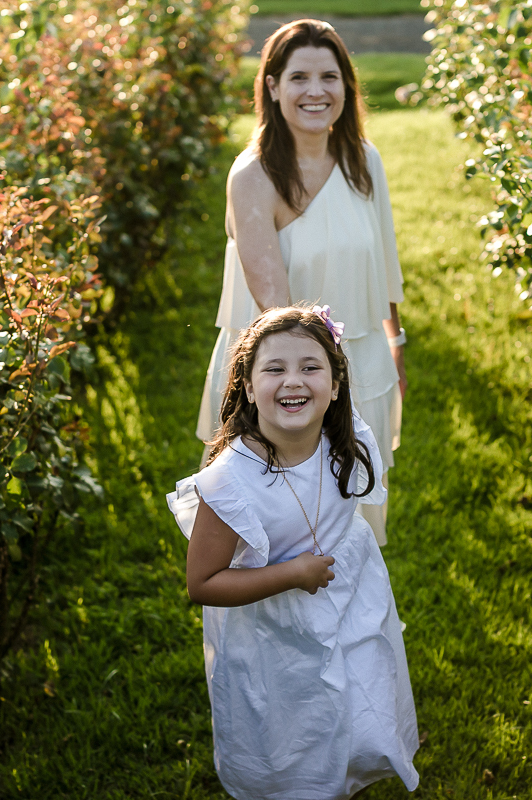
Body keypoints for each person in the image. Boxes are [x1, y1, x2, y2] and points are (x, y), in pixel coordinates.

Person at [169, 306, 419, 799]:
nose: (294, 382)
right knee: (289, 738)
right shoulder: (230, 484)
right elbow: (202, 583)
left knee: (355, 712)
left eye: (310, 367)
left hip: (350, 608)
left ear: (335, 383)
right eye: (275, 369)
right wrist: (291, 574)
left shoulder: (346, 442)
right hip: (271, 636)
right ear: (246, 385)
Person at [196, 18, 406, 546]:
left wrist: (394, 343)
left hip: (361, 362)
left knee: (350, 528)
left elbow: (384, 261)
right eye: (299, 78)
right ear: (272, 85)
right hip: (279, 373)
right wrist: (306, 392)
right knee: (274, 529)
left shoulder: (364, 161)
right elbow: (276, 313)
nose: (316, 92)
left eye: (329, 77)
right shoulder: (253, 176)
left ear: (346, 86)